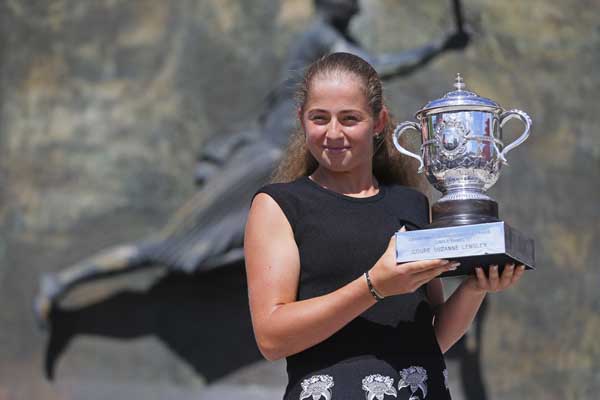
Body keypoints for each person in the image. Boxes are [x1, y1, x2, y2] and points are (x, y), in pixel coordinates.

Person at [34, 0, 468, 326]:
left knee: (218, 251)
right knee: (169, 248)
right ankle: (66, 281)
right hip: (261, 164)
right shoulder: (321, 38)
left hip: (275, 167)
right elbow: (374, 68)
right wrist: (438, 46)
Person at [244, 52, 524, 400]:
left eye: (349, 118)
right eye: (320, 118)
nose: (333, 132)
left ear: (379, 122)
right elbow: (271, 337)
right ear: (301, 119)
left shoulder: (412, 204)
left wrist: (475, 288)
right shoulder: (279, 206)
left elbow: (430, 336)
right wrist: (373, 286)